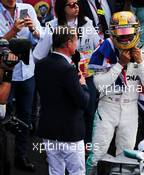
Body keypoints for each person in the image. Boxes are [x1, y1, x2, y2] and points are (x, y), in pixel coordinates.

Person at [86, 11, 144, 174]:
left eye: (128, 33)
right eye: (121, 34)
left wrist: (139, 63)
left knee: (126, 158)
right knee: (97, 155)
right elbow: (99, 85)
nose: (125, 38)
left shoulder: (143, 53)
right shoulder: (104, 49)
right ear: (113, 33)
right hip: (107, 107)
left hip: (130, 110)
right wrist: (119, 64)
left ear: (136, 32)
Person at [33, 0, 101, 151]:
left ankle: (86, 148)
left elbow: (99, 46)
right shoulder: (52, 26)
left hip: (85, 76)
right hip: (61, 78)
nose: (76, 7)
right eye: (71, 4)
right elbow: (38, 56)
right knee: (64, 112)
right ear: (61, 8)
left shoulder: (87, 23)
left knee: (89, 111)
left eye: (77, 3)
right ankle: (58, 150)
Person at [35, 26, 90, 175]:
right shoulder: (67, 69)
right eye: (75, 40)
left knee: (55, 171)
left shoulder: (40, 64)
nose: (77, 44)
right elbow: (83, 102)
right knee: (76, 172)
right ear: (68, 43)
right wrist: (84, 85)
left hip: (49, 129)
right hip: (70, 132)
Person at [0, 0, 42, 171]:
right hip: (5, 74)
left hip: (27, 71)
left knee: (24, 117)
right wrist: (13, 31)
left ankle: (21, 155)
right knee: (4, 118)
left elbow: (41, 37)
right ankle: (5, 157)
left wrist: (33, 30)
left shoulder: (28, 9)